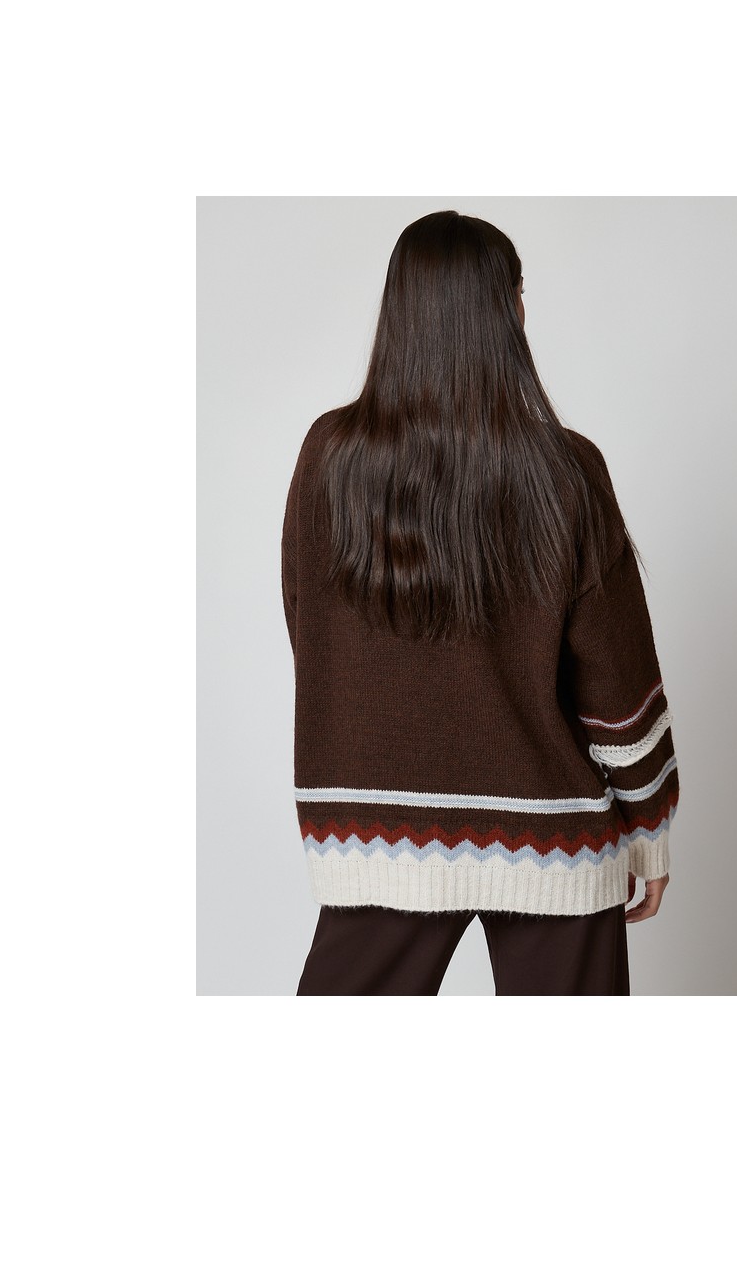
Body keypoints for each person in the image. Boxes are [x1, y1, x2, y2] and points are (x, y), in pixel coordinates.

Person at [281, 210, 680, 995]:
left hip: (373, 829)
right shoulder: (565, 469)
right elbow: (617, 675)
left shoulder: (329, 456)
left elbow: (312, 631)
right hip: (553, 837)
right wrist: (650, 827)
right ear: (506, 310)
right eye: (519, 290)